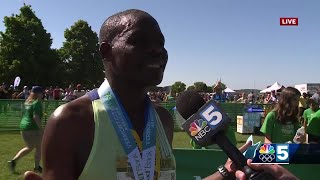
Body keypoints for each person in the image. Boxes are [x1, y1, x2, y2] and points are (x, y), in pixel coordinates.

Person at [24, 9, 297, 180]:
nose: (158, 51)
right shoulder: (70, 121)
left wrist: (225, 171)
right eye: (139, 42)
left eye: (161, 44)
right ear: (106, 52)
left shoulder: (164, 120)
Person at [8, 86, 44, 173]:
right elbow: (36, 117)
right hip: (32, 128)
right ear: (38, 93)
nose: (43, 94)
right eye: (42, 92)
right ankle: (36, 167)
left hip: (24, 127)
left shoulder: (28, 102)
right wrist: (41, 129)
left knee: (30, 147)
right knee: (39, 148)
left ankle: (13, 162)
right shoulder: (37, 103)